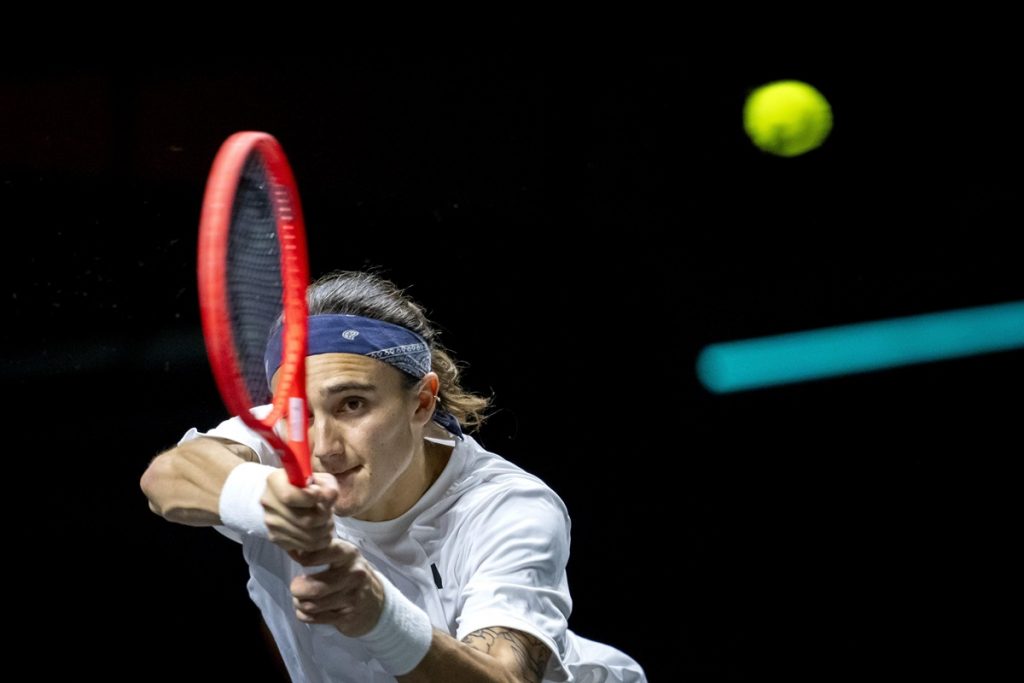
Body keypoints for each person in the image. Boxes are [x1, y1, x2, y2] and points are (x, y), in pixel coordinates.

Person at [140, 270, 646, 682]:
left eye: (353, 404)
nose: (323, 447)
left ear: (422, 401)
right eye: (299, 413)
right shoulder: (279, 444)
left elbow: (505, 679)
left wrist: (378, 614)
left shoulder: (509, 508)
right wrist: (266, 497)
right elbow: (165, 480)